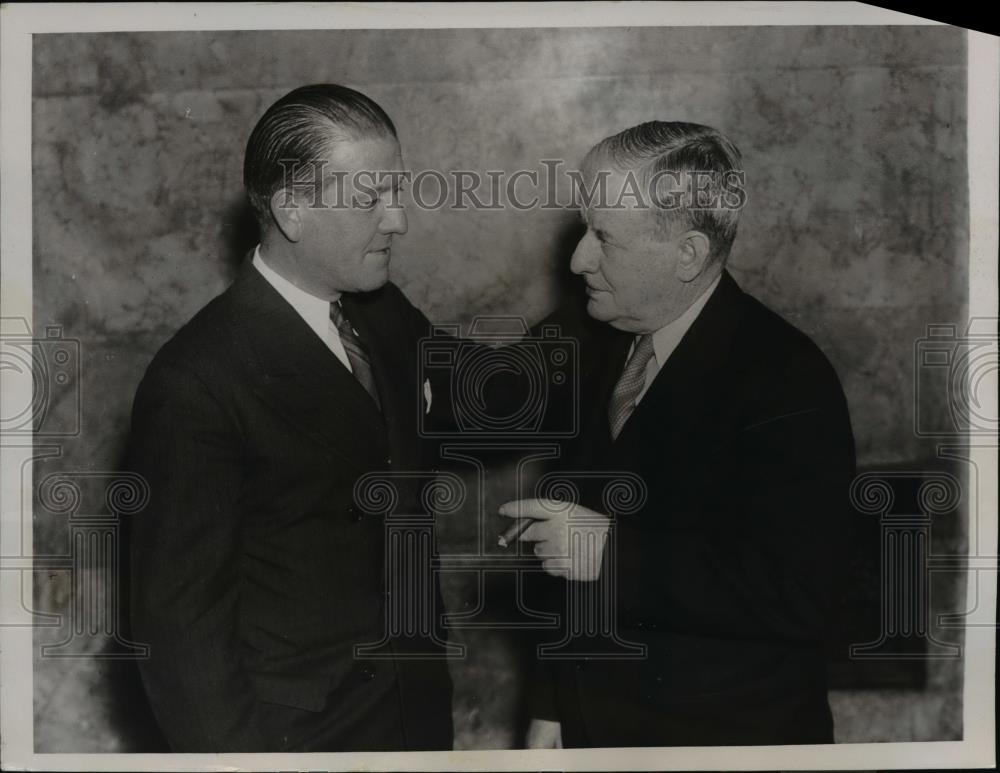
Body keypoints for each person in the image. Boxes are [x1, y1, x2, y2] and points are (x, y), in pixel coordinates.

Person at [501, 121, 856, 747]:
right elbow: (477, 399)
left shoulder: (787, 380)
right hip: (591, 726)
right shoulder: (592, 333)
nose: (578, 257)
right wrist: (553, 708)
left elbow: (801, 595)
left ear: (687, 254)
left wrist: (611, 553)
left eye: (604, 237)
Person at [128, 84, 453, 752]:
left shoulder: (381, 311)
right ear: (293, 209)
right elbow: (182, 640)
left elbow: (490, 392)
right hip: (300, 740)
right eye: (371, 200)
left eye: (398, 192)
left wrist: (629, 319)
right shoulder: (196, 380)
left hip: (414, 719)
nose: (399, 221)